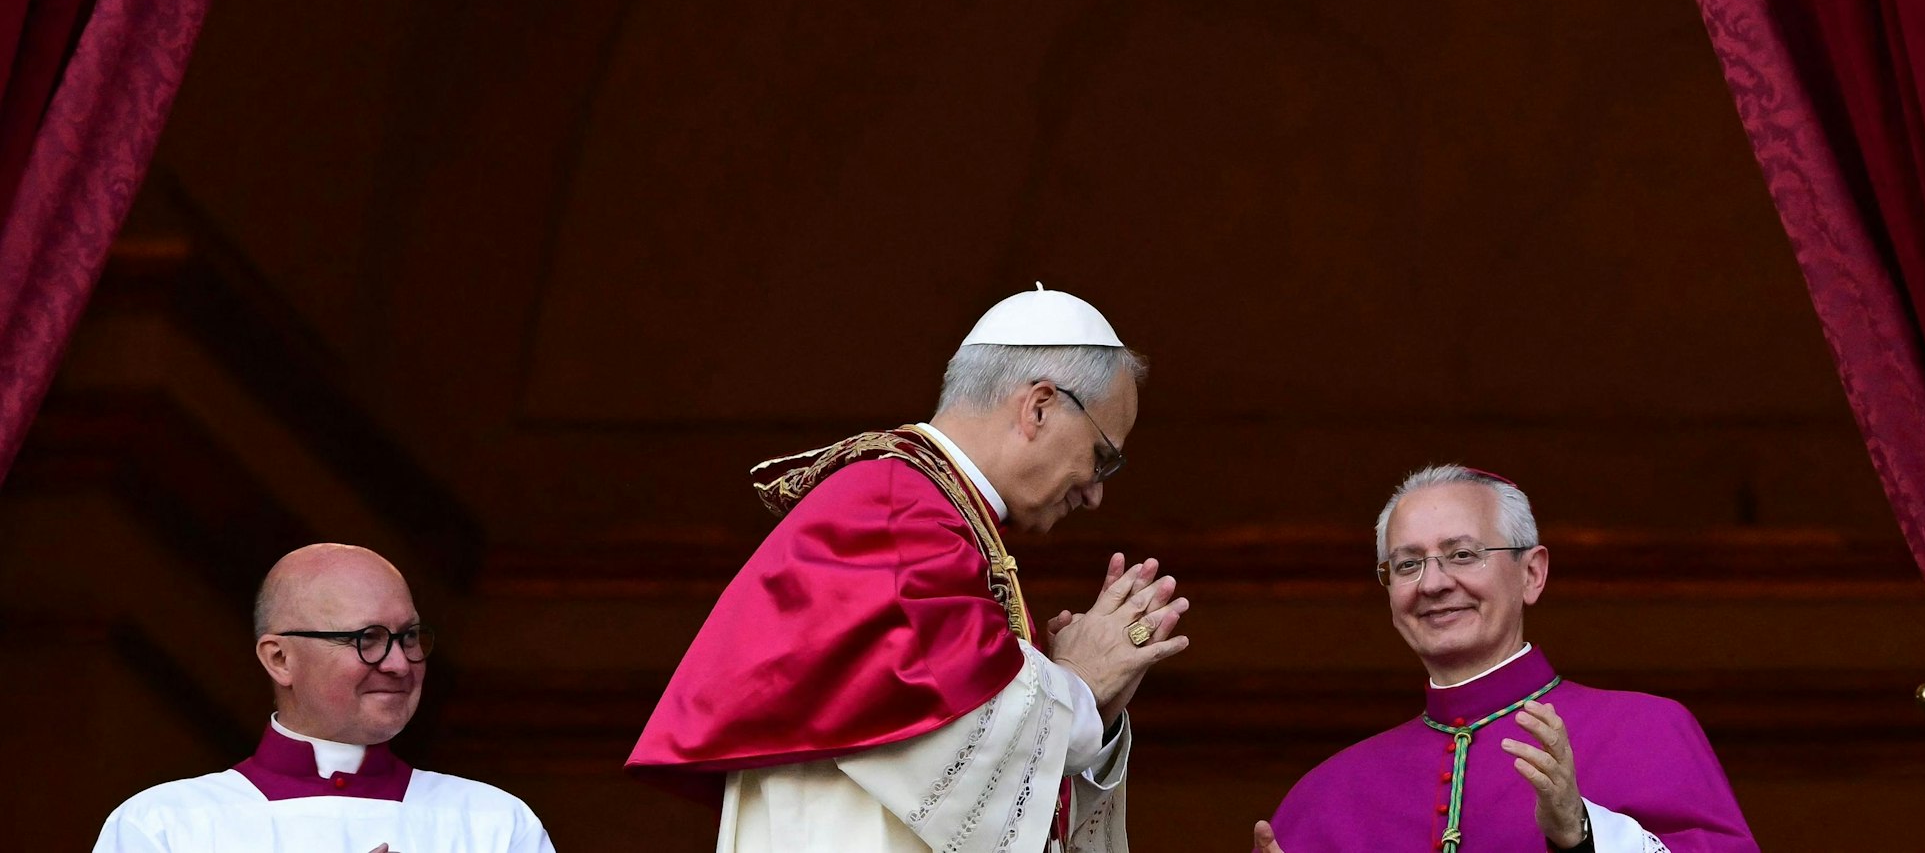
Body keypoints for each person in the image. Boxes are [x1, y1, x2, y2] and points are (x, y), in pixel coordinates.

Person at [628, 284, 1190, 853]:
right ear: (1038, 406)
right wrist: (1079, 683)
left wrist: (1090, 699)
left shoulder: (935, 512)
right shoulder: (895, 510)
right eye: (1103, 458)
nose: (1095, 494)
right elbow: (958, 712)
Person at [1255, 465, 1757, 853]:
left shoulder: (1647, 731)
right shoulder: (1328, 794)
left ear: (1531, 574)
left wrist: (1581, 832)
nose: (1432, 584)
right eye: (1407, 564)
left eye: (1463, 555)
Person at [94, 543, 556, 852]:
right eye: (367, 638)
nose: (398, 664)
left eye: (409, 636)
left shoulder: (495, 825)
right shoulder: (163, 828)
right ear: (279, 659)